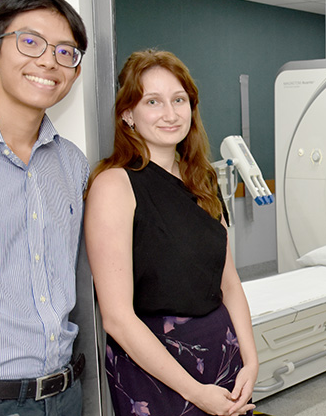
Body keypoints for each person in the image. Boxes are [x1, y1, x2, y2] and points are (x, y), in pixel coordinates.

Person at [84, 50, 258, 416]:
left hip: (222, 353)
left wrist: (251, 359)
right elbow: (116, 317)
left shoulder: (204, 179)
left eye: (179, 100)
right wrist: (196, 392)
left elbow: (229, 281)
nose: (170, 113)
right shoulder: (115, 185)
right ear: (127, 114)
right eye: (153, 101)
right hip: (156, 368)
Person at [0, 0, 88, 415]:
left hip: (65, 395)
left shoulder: (73, 164)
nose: (48, 62)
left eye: (65, 52)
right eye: (30, 42)